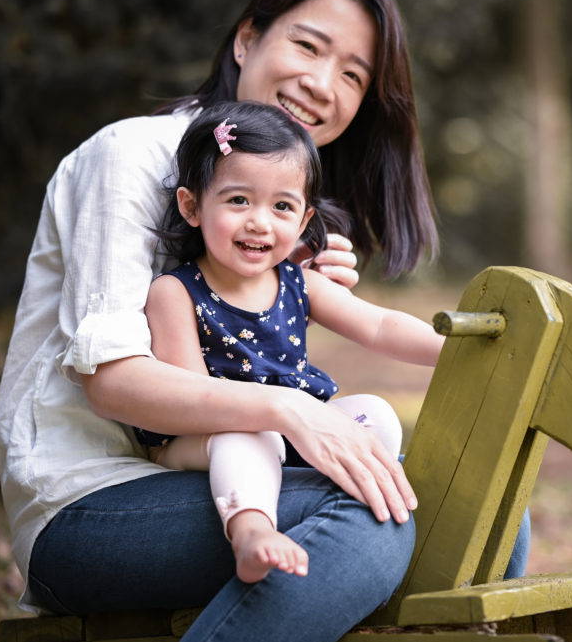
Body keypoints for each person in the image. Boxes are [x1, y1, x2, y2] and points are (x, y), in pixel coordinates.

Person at [0, 0, 527, 640]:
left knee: (481, 508)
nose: (321, 84)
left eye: (354, 75)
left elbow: (358, 328)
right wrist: (288, 407)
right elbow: (113, 382)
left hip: (225, 477)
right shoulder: (131, 157)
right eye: (308, 46)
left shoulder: (283, 222)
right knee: (376, 518)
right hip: (88, 505)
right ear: (246, 40)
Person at [138, 100, 444, 584]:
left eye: (282, 206)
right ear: (192, 206)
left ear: (303, 222)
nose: (261, 222)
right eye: (238, 200)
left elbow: (379, 326)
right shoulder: (175, 292)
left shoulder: (298, 282)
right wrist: (260, 417)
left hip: (290, 432)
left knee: (376, 415)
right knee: (249, 433)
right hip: (208, 437)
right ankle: (252, 533)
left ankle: (334, 503)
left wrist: (451, 351)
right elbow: (191, 401)